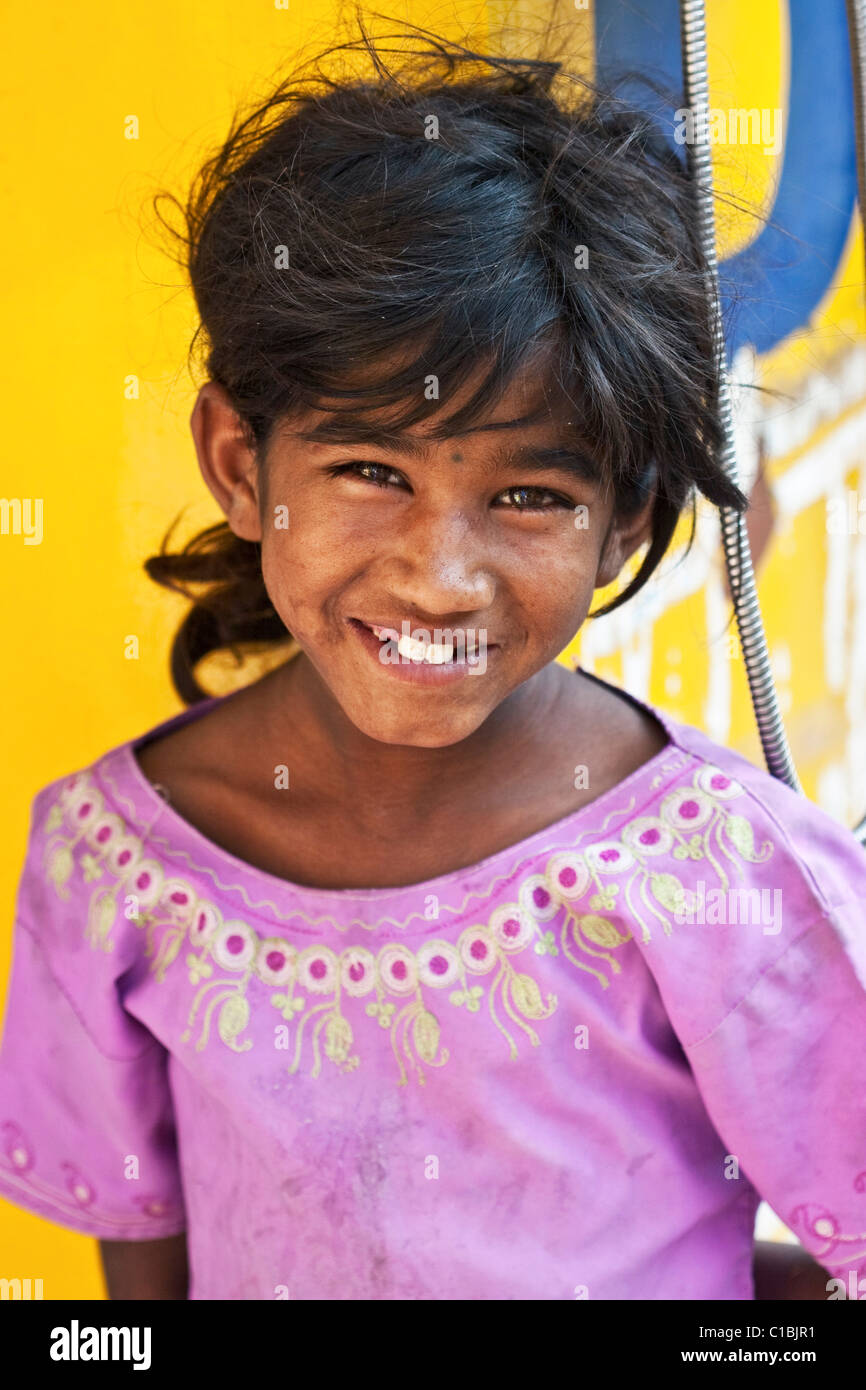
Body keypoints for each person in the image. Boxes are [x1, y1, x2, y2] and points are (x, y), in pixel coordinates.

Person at [1, 21, 864, 1301]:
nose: (437, 574)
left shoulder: (724, 873)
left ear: (622, 517)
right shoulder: (112, 862)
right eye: (368, 472)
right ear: (242, 465)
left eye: (526, 496)